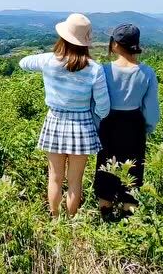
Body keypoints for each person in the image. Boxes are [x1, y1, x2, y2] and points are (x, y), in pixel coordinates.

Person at [19, 13, 110, 218]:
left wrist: (47, 59)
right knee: (75, 180)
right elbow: (104, 107)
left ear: (63, 37)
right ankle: (71, 222)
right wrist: (94, 119)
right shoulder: (94, 69)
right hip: (83, 125)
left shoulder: (48, 61)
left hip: (54, 122)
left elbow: (23, 63)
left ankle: (55, 219)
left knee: (54, 178)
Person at [94, 23, 160, 219]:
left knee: (106, 165)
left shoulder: (103, 71)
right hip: (134, 124)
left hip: (108, 123)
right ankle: (128, 218)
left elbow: (97, 103)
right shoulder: (147, 73)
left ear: (114, 44)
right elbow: (152, 109)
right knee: (133, 167)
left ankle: (105, 214)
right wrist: (148, 127)